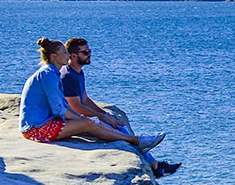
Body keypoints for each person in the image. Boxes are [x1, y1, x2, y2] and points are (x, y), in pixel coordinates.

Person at [18, 39, 165, 163]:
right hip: (35, 129)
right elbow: (59, 109)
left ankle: (136, 141)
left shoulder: (53, 73)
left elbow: (64, 104)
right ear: (54, 56)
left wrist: (88, 118)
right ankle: (136, 141)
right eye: (64, 53)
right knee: (90, 123)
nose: (68, 55)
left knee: (92, 122)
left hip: (45, 123)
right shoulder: (48, 75)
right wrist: (84, 120)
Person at [61, 36, 180, 177]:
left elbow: (85, 99)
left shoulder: (78, 73)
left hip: (80, 118)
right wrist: (102, 118)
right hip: (73, 121)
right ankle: (155, 165)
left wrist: (105, 115)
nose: (89, 54)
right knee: (118, 131)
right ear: (74, 56)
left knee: (118, 126)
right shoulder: (68, 76)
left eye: (89, 51)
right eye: (85, 52)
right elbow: (76, 106)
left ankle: (155, 165)